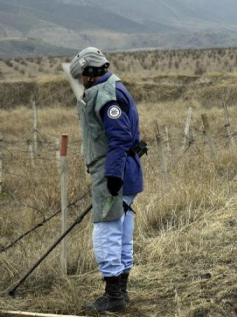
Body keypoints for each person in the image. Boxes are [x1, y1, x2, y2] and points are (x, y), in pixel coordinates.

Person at [69, 47, 145, 313]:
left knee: (107, 232)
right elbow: (128, 132)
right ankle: (120, 294)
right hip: (126, 170)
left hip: (114, 173)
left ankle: (113, 298)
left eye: (81, 76)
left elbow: (120, 136)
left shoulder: (105, 94)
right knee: (122, 232)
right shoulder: (115, 86)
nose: (80, 81)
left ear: (90, 72)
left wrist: (112, 175)